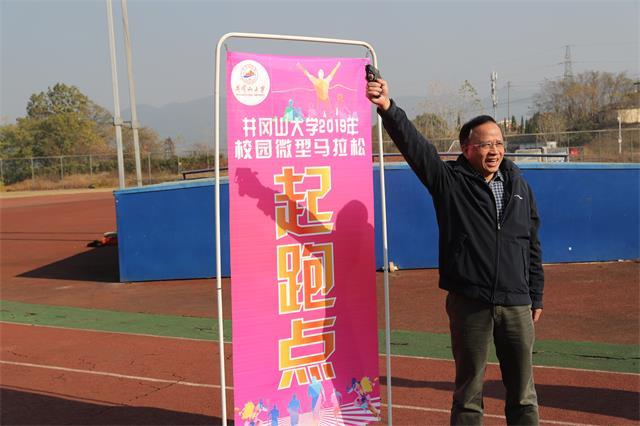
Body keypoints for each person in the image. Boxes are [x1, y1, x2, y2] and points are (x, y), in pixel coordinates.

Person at [366, 76, 544, 426]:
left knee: (524, 394)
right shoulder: (449, 182)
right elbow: (416, 147)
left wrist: (535, 294)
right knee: (469, 394)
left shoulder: (520, 186)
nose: (494, 150)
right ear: (466, 148)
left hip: (516, 303)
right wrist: (387, 107)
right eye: (485, 144)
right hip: (470, 302)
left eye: (499, 143)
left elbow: (532, 243)